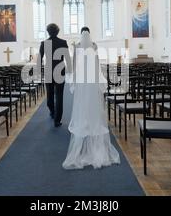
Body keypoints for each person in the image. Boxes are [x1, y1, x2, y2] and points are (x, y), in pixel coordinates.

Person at [62, 27, 120, 170]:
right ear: (89, 34)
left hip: (82, 82)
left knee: (82, 106)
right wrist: (100, 81)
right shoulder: (94, 46)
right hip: (92, 81)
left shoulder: (77, 47)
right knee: (94, 106)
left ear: (81, 34)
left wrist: (74, 82)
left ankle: (84, 125)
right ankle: (92, 125)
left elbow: (74, 66)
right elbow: (97, 65)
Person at [39, 24, 72, 127]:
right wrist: (70, 70)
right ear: (58, 31)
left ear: (48, 32)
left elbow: (39, 59)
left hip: (48, 71)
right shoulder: (62, 42)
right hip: (60, 72)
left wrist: (40, 71)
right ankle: (57, 120)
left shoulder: (44, 43)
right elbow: (67, 58)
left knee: (49, 95)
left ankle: (52, 111)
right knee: (59, 96)